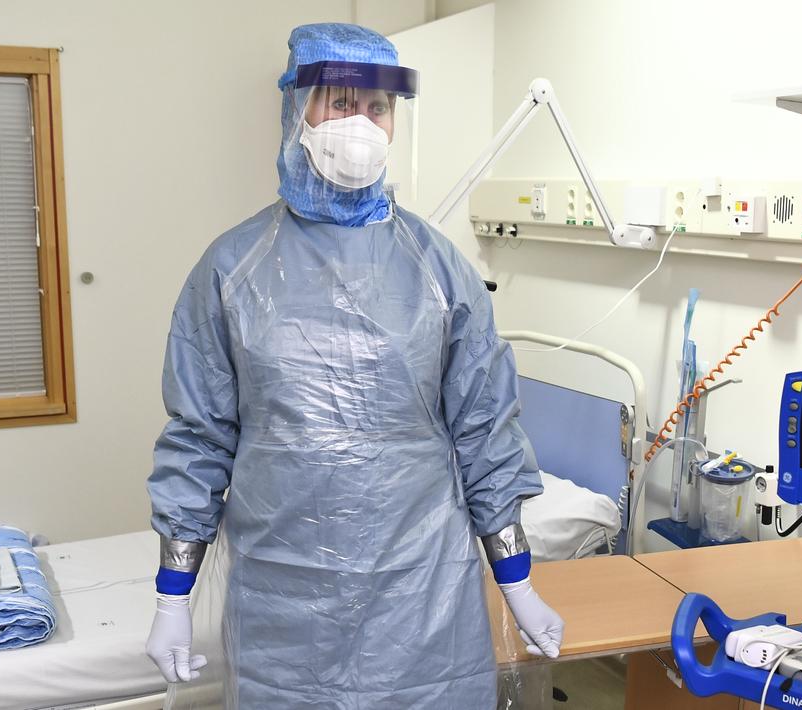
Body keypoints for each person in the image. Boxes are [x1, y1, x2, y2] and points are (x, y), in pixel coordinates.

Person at [145, 23, 563, 708]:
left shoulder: (440, 271)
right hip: (282, 596)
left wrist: (516, 582)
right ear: (297, 110)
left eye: (378, 108)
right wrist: (172, 595)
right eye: (340, 102)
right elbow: (199, 441)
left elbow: (485, 433)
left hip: (422, 593)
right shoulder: (232, 269)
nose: (361, 124)